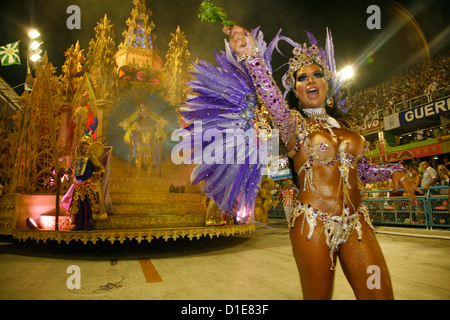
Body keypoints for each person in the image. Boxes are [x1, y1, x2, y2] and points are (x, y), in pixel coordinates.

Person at [223, 25, 416, 300]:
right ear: (296, 89)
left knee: (380, 296)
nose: (311, 81)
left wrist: (395, 170)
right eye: (302, 78)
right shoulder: (292, 125)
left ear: (327, 83)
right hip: (313, 225)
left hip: (357, 223)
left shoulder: (347, 128)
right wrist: (252, 57)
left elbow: (364, 170)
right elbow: (270, 97)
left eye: (317, 75)